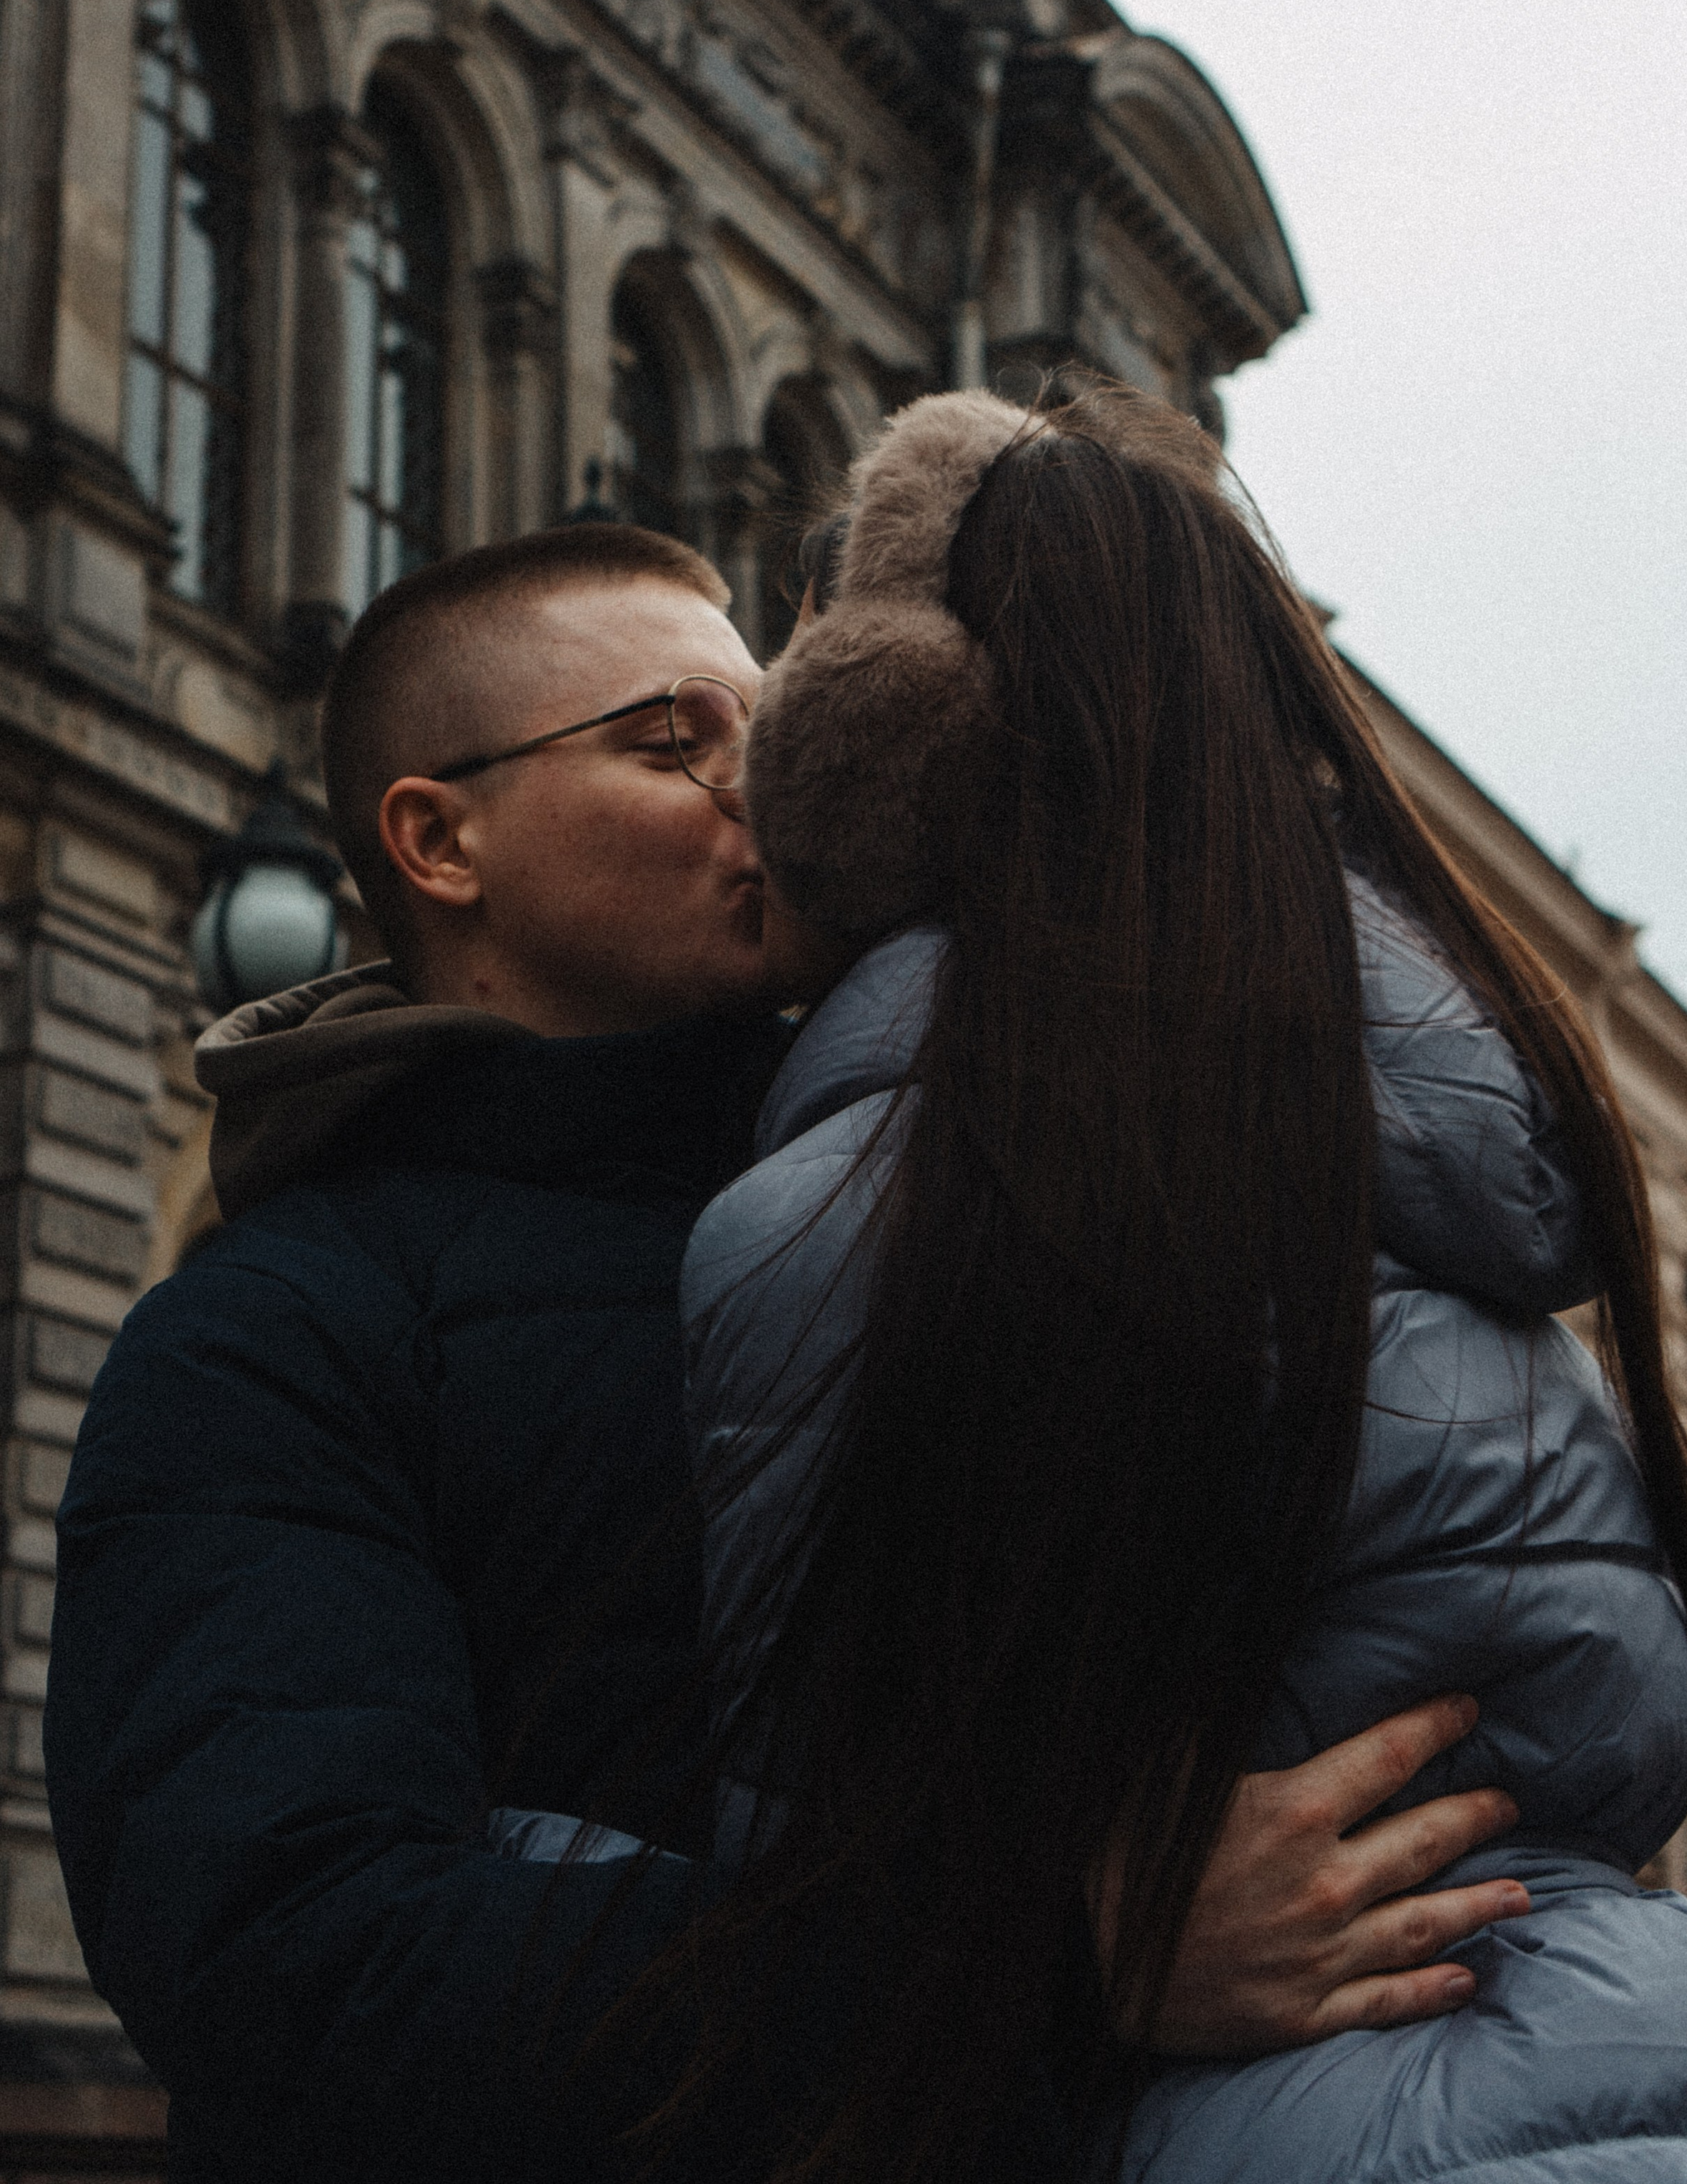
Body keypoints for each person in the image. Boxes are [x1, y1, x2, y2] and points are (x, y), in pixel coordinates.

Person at [47, 517, 1533, 2184]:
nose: (770, 790)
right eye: (672, 742)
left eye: (781, 731)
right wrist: (1060, 1961)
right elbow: (294, 1946)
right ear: (439, 840)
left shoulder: (957, 1210)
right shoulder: (277, 1328)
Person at [672, 384, 1687, 2183]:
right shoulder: (1462, 1168)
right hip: (1668, 2061)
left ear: (876, 755)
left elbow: (804, 1936)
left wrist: (1073, 1945)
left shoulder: (834, 1227)